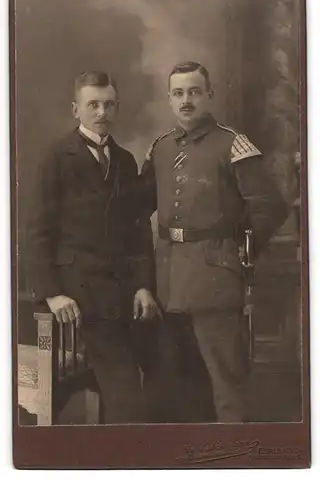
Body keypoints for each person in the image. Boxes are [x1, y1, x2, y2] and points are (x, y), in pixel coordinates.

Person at [139, 61, 288, 423]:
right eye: (178, 93)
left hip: (215, 277)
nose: (186, 100)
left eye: (194, 92)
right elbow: (137, 209)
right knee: (177, 381)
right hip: (167, 280)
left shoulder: (233, 144)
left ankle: (230, 457)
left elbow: (270, 206)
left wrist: (240, 248)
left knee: (226, 381)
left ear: (209, 95)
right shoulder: (159, 148)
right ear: (169, 99)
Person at [28, 70, 159, 424]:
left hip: (122, 294)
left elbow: (137, 232)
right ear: (76, 110)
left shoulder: (125, 160)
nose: (102, 112)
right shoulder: (55, 158)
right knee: (127, 395)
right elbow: (37, 232)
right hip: (77, 296)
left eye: (109, 104)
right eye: (93, 105)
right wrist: (52, 293)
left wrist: (144, 284)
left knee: (166, 375)